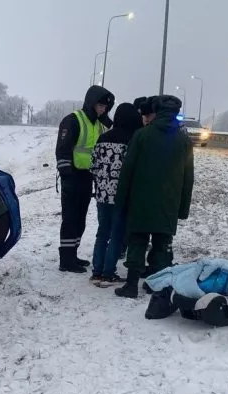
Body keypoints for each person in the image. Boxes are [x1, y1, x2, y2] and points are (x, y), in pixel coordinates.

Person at [113, 95, 195, 298]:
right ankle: (157, 285)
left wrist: (121, 200)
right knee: (162, 245)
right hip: (169, 203)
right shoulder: (184, 141)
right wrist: (183, 209)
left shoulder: (142, 135)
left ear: (156, 112)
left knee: (137, 241)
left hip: (140, 200)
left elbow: (127, 170)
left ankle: (131, 285)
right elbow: (188, 178)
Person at [56, 85, 115, 273]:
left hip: (87, 176)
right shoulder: (73, 120)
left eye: (105, 107)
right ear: (91, 103)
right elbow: (63, 149)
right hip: (72, 176)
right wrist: (66, 175)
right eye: (100, 106)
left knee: (80, 218)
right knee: (70, 218)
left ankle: (73, 254)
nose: (103, 110)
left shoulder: (98, 124)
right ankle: (66, 260)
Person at [89, 103, 143, 286]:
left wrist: (101, 184)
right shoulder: (131, 140)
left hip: (102, 194)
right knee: (117, 235)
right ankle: (108, 273)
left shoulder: (102, 138)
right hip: (121, 196)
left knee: (102, 233)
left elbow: (93, 165)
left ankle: (96, 272)